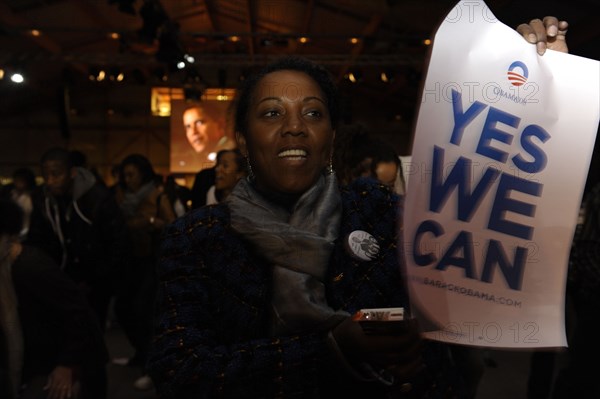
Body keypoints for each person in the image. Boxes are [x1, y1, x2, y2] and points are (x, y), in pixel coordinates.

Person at [147, 17, 568, 399]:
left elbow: (487, 242)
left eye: (312, 113)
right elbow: (181, 371)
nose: (294, 126)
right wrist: (330, 348)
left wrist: (533, 93)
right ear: (241, 140)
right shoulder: (198, 237)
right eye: (271, 113)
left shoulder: (380, 212)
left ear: (330, 135)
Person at [0, 198, 108, 399]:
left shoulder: (29, 266)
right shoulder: (7, 268)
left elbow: (80, 313)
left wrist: (68, 365)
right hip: (41, 359)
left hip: (70, 361)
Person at [26, 147, 131, 331]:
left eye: (56, 174)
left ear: (72, 173)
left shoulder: (97, 197)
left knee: (91, 327)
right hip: (59, 277)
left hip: (95, 280)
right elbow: (37, 239)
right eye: (46, 175)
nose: (50, 181)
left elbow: (117, 240)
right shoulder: (42, 199)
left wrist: (97, 278)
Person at [112, 153, 176, 391]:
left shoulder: (156, 195)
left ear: (143, 174)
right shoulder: (120, 196)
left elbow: (171, 224)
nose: (128, 180)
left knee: (144, 311)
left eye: (132, 174)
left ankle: (150, 366)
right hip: (129, 261)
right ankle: (141, 353)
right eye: (124, 175)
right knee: (123, 308)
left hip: (152, 260)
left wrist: (150, 221)